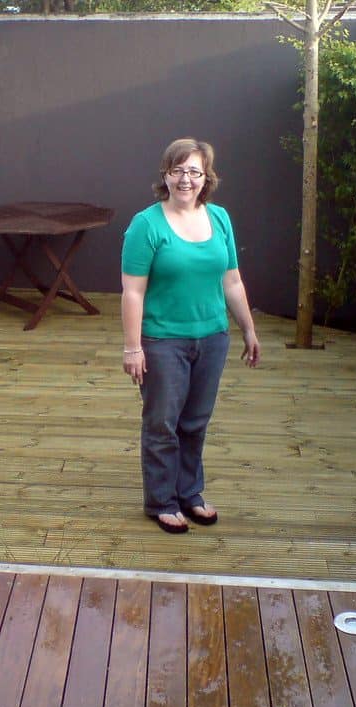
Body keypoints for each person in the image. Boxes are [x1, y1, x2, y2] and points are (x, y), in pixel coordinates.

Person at [121, 138, 260, 534]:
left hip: (212, 338)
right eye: (177, 170)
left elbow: (231, 280)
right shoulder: (146, 225)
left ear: (206, 177)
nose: (186, 179)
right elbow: (133, 291)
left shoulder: (220, 219)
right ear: (165, 175)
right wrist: (133, 348)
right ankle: (161, 500)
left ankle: (190, 494)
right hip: (162, 341)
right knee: (163, 423)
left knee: (195, 422)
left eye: (194, 171)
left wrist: (248, 328)